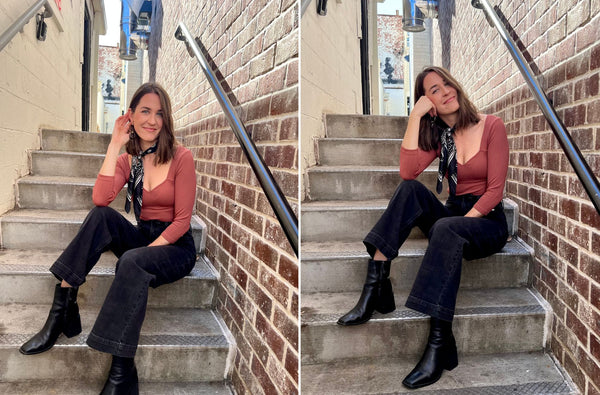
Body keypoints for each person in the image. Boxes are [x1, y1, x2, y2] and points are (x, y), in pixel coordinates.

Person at [337, 66, 509, 389]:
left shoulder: (492, 126)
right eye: (433, 90)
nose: (445, 91)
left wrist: (456, 225)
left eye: (446, 83)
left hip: (487, 221)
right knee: (410, 191)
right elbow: (407, 172)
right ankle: (376, 281)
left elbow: (495, 191)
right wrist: (414, 117)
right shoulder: (441, 139)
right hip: (453, 214)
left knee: (445, 230)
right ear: (426, 102)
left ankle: (438, 344)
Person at [19, 82, 197, 395]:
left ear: (167, 119)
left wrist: (143, 254)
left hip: (174, 247)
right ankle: (62, 308)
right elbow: (101, 198)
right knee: (101, 217)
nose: (152, 120)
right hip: (143, 237)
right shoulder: (131, 161)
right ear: (131, 115)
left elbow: (182, 221)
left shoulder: (182, 157)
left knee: (133, 261)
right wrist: (115, 144)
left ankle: (121, 373)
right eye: (144, 111)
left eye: (159, 113)